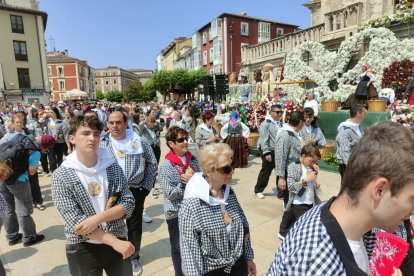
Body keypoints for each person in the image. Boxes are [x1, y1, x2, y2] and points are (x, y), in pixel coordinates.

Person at [268, 121, 413, 276]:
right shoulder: (315, 266)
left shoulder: (359, 227)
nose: (412, 211)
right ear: (380, 190)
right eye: (411, 199)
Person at [52, 115, 135, 276]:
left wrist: (97, 219)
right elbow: (77, 223)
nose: (92, 138)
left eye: (96, 134)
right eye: (85, 133)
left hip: (116, 235)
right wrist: (114, 242)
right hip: (84, 247)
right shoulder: (62, 175)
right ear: (72, 138)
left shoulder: (111, 167)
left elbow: (128, 202)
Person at [179, 143, 256, 276]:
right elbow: (189, 251)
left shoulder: (228, 192)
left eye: (232, 166)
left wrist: (248, 258)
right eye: (225, 169)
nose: (231, 171)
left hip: (238, 265)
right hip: (212, 271)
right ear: (208, 170)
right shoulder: (191, 205)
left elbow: (244, 226)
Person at [100, 111, 157, 276]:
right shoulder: (103, 143)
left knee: (133, 225)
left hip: (134, 190)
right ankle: (114, 253)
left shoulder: (139, 141)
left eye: (118, 122)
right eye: (111, 123)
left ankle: (133, 257)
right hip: (111, 191)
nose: (114, 126)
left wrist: (145, 188)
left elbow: (152, 163)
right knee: (110, 223)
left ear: (126, 123)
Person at [159, 126, 201, 276]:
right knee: (179, 248)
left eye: (186, 139)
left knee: (196, 246)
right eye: (180, 140)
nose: (185, 142)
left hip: (195, 210)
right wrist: (184, 182)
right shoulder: (165, 166)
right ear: (171, 144)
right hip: (176, 213)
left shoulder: (194, 159)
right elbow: (171, 195)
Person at [0, 130, 45, 247]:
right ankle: (30, 237)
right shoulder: (35, 152)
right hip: (18, 181)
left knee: (7, 208)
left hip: (2, 177)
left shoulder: (18, 137)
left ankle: (12, 236)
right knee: (23, 208)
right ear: (45, 148)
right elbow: (31, 172)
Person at [275, 111, 305, 240]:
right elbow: (280, 157)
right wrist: (281, 177)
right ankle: (284, 231)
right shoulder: (285, 135)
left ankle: (292, 227)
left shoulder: (295, 134)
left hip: (298, 171)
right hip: (289, 173)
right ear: (300, 123)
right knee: (291, 202)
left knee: (297, 200)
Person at [254, 105, 283, 199]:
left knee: (280, 171)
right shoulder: (266, 123)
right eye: (277, 112)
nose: (279, 114)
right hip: (270, 150)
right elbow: (263, 139)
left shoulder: (280, 123)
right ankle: (258, 190)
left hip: (279, 151)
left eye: (280, 112)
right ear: (271, 112)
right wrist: (266, 152)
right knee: (266, 171)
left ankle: (281, 193)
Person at [286, 144, 321, 223]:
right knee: (300, 224)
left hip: (310, 201)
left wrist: (315, 186)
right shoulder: (293, 166)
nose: (313, 163)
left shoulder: (311, 167)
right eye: (312, 161)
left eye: (315, 162)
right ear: (303, 156)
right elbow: (291, 186)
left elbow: (311, 183)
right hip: (299, 203)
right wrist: (306, 180)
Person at [336, 104, 366, 180]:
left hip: (357, 163)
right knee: (347, 189)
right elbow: (345, 151)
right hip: (348, 166)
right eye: (364, 113)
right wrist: (351, 167)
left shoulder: (358, 126)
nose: (365, 115)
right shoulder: (344, 130)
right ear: (358, 114)